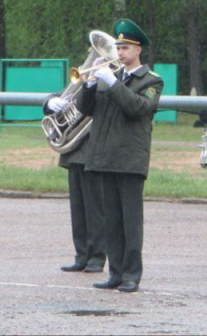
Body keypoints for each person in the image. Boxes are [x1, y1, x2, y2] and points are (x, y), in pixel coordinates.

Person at [77, 18, 163, 293]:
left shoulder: (151, 80)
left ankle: (131, 275)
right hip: (104, 155)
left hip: (129, 158)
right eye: (119, 47)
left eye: (125, 47)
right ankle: (115, 272)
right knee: (111, 220)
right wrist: (89, 86)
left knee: (130, 221)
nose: (120, 52)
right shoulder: (108, 75)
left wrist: (112, 83)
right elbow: (85, 110)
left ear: (138, 50)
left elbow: (137, 108)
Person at [44, 43, 106, 275]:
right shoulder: (82, 77)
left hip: (94, 148)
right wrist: (49, 102)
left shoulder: (110, 79)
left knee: (95, 207)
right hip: (74, 151)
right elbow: (67, 95)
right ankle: (81, 255)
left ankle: (97, 257)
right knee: (78, 208)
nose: (92, 58)